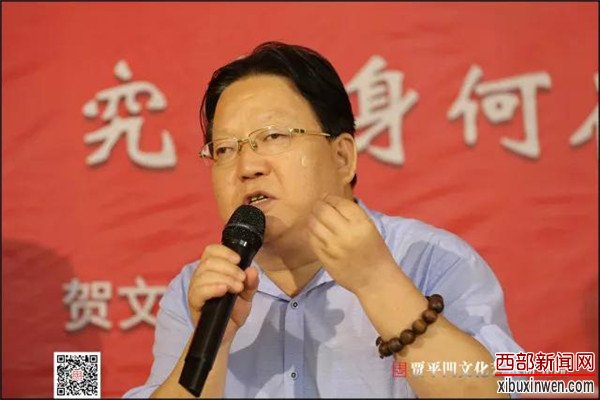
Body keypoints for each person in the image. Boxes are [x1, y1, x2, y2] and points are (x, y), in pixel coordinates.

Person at [123, 41, 523, 398]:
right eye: (225, 148)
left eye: (274, 136)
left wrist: (377, 281)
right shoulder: (197, 291)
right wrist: (214, 342)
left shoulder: (431, 260)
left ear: (342, 157)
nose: (247, 167)